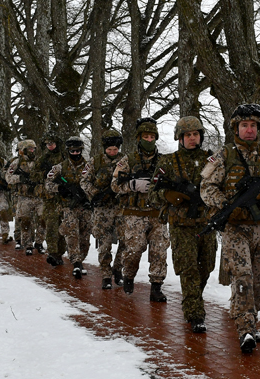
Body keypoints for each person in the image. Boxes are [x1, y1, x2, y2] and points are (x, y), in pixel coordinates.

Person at [200, 104, 260, 353]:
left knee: (259, 280)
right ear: (236, 129)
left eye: (253, 126)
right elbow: (206, 188)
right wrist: (227, 205)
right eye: (244, 126)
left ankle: (251, 318)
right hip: (236, 229)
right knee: (242, 277)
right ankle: (245, 329)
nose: (249, 130)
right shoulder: (223, 157)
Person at [150, 116, 217, 332]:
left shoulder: (212, 161)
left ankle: (193, 299)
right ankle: (195, 314)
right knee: (189, 270)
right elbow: (153, 193)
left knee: (205, 268)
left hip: (207, 224)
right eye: (187, 135)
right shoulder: (167, 162)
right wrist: (172, 196)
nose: (192, 138)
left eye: (195, 134)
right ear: (180, 138)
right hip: (181, 226)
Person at [111, 117, 169, 301]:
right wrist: (132, 185)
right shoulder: (127, 161)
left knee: (159, 251)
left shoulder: (164, 162)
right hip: (134, 214)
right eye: (145, 136)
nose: (149, 140)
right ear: (139, 138)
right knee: (133, 251)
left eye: (152, 137)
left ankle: (156, 286)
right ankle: (128, 276)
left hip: (157, 214)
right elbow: (114, 185)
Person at [81, 129, 127, 289]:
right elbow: (84, 181)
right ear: (104, 148)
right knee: (104, 244)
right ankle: (106, 274)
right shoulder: (95, 162)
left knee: (126, 241)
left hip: (121, 208)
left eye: (115, 149)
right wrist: (96, 194)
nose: (113, 152)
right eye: (109, 150)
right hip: (102, 210)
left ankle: (118, 268)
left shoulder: (125, 161)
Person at [45, 136, 93, 278]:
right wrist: (60, 188)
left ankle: (80, 259)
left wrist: (88, 194)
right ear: (68, 151)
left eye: (78, 151)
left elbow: (96, 184)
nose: (75, 154)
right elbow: (47, 184)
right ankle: (76, 263)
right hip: (68, 207)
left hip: (85, 206)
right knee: (72, 233)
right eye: (72, 151)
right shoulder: (59, 168)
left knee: (84, 237)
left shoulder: (89, 167)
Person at [6, 139, 44, 255]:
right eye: (29, 149)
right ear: (23, 150)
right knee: (25, 222)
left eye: (33, 149)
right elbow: (8, 177)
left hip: (39, 196)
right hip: (24, 197)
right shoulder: (16, 163)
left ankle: (39, 242)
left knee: (43, 221)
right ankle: (27, 245)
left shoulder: (40, 161)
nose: (32, 151)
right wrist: (21, 179)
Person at [37, 132, 67, 263]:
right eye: (48, 144)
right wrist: (44, 173)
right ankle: (52, 252)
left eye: (52, 143)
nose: (50, 146)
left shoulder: (65, 157)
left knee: (63, 227)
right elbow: (33, 175)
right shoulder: (43, 158)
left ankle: (60, 252)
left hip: (64, 196)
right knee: (50, 225)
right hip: (49, 197)